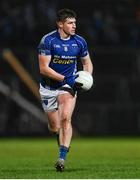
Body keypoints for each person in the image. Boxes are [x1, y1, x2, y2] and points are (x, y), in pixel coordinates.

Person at [38, 8, 93, 171]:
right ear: (60, 24)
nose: (74, 26)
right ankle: (58, 136)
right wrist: (65, 78)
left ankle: (61, 159)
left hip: (68, 86)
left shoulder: (79, 41)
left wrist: (86, 78)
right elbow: (43, 69)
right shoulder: (47, 41)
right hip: (48, 87)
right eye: (70, 23)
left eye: (75, 22)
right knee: (54, 126)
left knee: (65, 119)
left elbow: (87, 62)